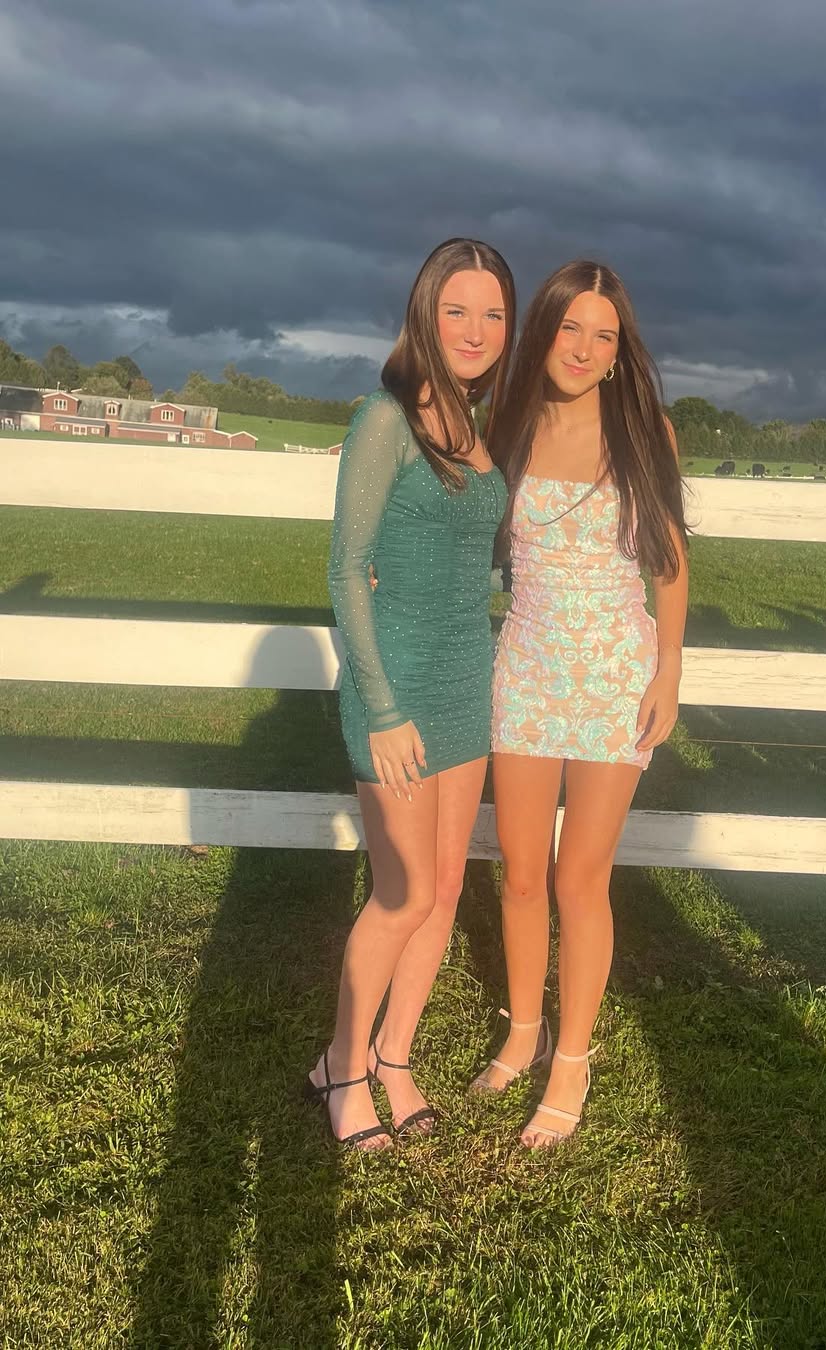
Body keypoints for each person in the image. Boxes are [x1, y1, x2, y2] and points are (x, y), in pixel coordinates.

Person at [306, 238, 515, 1150]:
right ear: (424, 314)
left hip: (468, 679)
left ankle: (395, 1056)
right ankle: (343, 1068)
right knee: (401, 892)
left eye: (494, 314)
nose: (475, 330)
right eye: (456, 309)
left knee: (444, 888)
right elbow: (346, 568)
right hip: (394, 685)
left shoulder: (478, 424)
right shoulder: (383, 418)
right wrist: (383, 709)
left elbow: (472, 554)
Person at [474, 260, 688, 1146]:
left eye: (605, 335)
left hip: (612, 678)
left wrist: (668, 670)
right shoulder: (508, 424)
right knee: (522, 872)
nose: (585, 348)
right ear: (545, 332)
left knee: (578, 878)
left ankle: (572, 1059)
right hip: (526, 667)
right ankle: (523, 1032)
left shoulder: (644, 430)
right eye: (571, 328)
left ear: (619, 351)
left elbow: (668, 561)